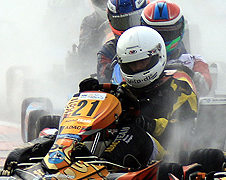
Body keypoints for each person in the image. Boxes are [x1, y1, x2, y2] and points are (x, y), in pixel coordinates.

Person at [79, 25, 198, 169]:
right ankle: (61, 163)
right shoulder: (123, 90)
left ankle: (100, 169)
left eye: (143, 61)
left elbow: (181, 131)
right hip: (123, 146)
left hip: (164, 154)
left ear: (158, 56)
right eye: (132, 64)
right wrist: (92, 96)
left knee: (134, 133)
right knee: (59, 134)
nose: (138, 68)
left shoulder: (179, 86)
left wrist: (145, 123)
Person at [141, 0, 213, 94]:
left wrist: (197, 78)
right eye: (156, 34)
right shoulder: (137, 61)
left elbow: (205, 86)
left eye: (167, 34)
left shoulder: (193, 61)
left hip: (184, 104)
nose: (161, 39)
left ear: (180, 30)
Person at [69, 0, 130, 72]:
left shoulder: (139, 11)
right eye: (102, 0)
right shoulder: (90, 22)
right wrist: (98, 34)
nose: (107, 4)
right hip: (104, 70)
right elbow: (83, 55)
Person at [96, 0, 148, 82]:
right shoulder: (108, 51)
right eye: (123, 22)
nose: (129, 28)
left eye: (134, 20)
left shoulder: (160, 39)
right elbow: (103, 81)